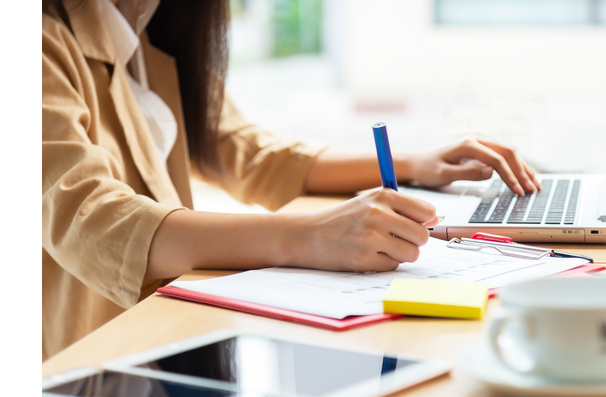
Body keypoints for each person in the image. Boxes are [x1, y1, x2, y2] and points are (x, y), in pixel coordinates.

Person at [42, 0, 540, 360]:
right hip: (90, 360)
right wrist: (309, 237)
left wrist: (413, 164)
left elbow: (248, 153)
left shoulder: (151, 36)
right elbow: (89, 218)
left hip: (167, 339)